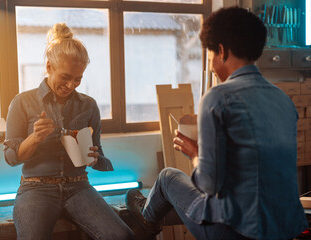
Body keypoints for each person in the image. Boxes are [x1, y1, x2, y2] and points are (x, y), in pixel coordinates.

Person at [126, 6, 308, 240]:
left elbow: (209, 185)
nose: (211, 63)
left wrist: (195, 154)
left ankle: (145, 221)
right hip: (283, 228)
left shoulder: (218, 97)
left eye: (210, 54)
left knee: (167, 177)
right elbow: (259, 164)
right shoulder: (283, 99)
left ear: (221, 51)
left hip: (235, 231)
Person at [4, 23, 134, 240]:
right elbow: (10, 158)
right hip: (35, 188)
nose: (71, 85)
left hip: (79, 187)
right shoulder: (22, 102)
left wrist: (94, 158)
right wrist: (35, 138)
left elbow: (99, 155)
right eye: (65, 77)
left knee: (122, 236)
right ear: (49, 67)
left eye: (78, 79)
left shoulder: (88, 106)